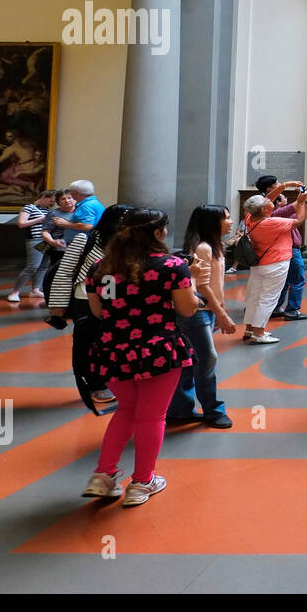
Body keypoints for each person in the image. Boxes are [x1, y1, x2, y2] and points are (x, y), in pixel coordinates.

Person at [80, 209, 202, 507]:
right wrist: (194, 280)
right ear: (159, 232)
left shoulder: (99, 267)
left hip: (112, 349)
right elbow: (188, 309)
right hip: (157, 349)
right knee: (152, 415)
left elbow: (98, 312)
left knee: (126, 410)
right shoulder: (172, 266)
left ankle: (103, 475)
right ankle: (142, 482)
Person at [48, 204, 134, 409]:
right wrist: (57, 306)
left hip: (118, 301)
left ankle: (110, 380)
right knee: (86, 344)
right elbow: (65, 272)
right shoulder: (85, 239)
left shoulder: (129, 244)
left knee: (112, 342)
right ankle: (94, 384)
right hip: (85, 299)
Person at [166, 205, 238, 428]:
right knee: (207, 359)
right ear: (212, 222)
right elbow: (204, 286)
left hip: (207, 311)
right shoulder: (204, 248)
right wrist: (222, 314)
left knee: (190, 360)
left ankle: (180, 409)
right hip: (197, 312)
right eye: (225, 218)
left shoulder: (215, 246)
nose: (230, 221)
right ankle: (213, 410)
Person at [254, 175, 307, 323]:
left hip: (286, 251)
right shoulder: (270, 212)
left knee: (284, 282)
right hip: (288, 250)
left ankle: (275, 308)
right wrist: (300, 197)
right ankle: (292, 310)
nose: (280, 186)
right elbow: (297, 214)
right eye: (277, 184)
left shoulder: (270, 210)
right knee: (297, 280)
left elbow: (301, 216)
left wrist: (306, 201)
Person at [8, 189, 56, 303]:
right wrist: (42, 219)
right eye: (51, 201)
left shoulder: (47, 210)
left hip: (47, 241)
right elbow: (21, 223)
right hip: (36, 240)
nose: (52, 203)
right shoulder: (29, 207)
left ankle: (35, 289)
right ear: (44, 197)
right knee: (32, 267)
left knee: (43, 266)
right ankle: (15, 292)